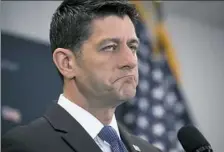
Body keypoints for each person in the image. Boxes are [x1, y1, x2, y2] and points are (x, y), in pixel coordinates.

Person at [2, 0, 161, 152]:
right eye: (110, 47)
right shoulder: (27, 146)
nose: (131, 61)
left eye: (132, 47)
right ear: (67, 63)